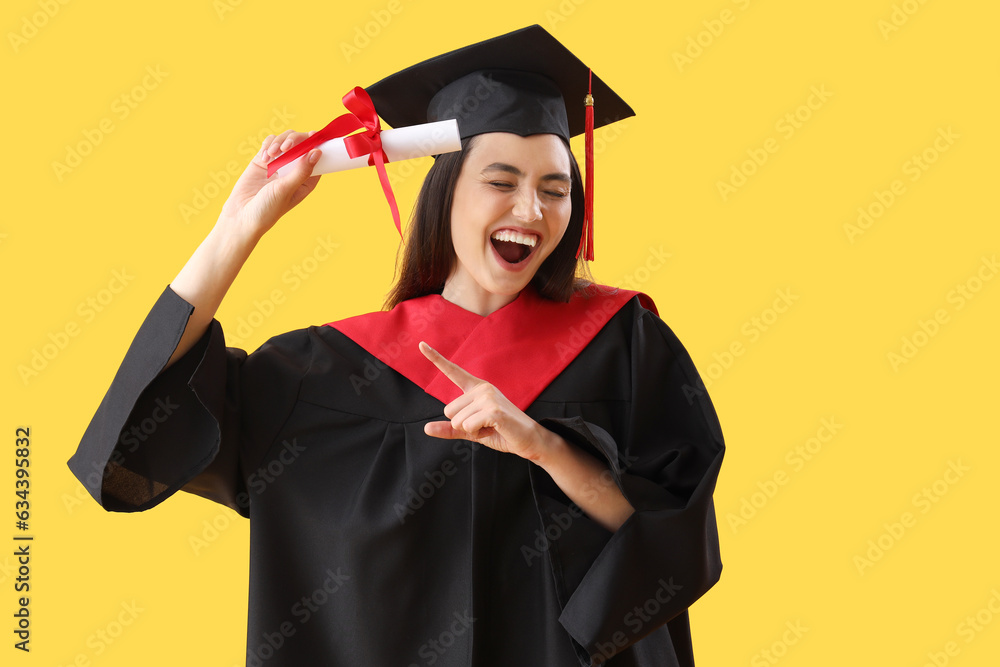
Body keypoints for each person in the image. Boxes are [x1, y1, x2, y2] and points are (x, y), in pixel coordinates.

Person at [68, 25, 725, 667]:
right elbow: (134, 442)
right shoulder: (324, 373)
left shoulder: (628, 346)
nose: (532, 210)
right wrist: (235, 231)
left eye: (555, 189)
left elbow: (674, 536)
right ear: (446, 193)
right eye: (501, 181)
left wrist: (545, 446)